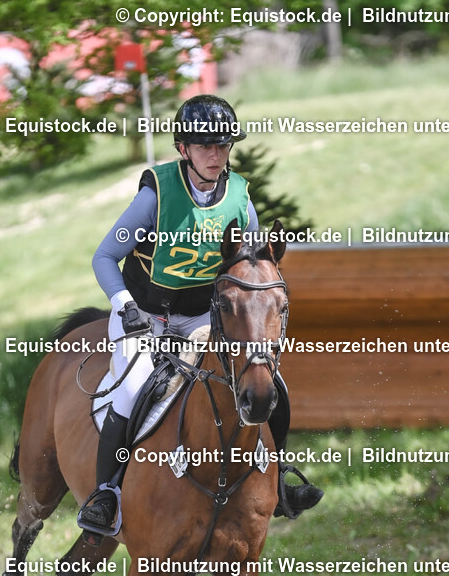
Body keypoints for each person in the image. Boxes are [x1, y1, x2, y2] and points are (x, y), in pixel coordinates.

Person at [77, 93, 321, 534]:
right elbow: (103, 257)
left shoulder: (240, 200)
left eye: (222, 145)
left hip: (205, 320)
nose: (215, 154)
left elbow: (248, 269)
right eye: (204, 145)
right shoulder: (156, 197)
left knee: (269, 380)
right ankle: (107, 493)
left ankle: (280, 476)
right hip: (144, 314)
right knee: (132, 387)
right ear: (183, 149)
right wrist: (124, 306)